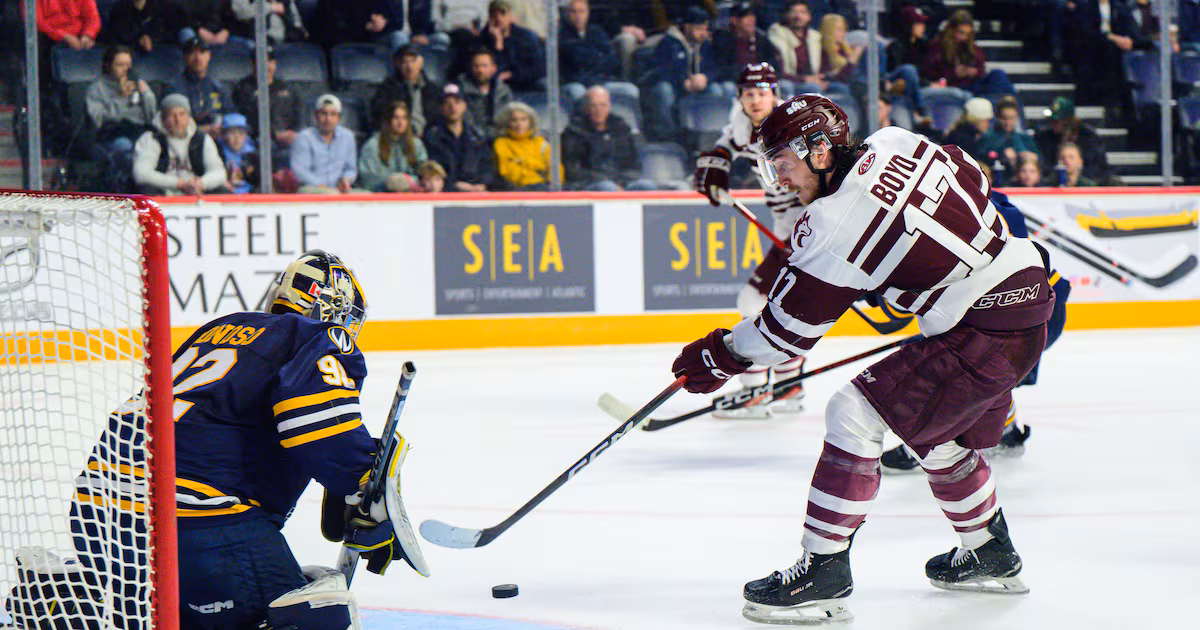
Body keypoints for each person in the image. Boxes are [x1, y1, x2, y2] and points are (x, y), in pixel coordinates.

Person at [671, 93, 1055, 623]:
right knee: (937, 431)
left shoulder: (831, 225)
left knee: (854, 411)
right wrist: (909, 268)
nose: (778, 180)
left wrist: (721, 357)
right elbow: (972, 176)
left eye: (782, 163)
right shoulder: (894, 139)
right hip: (1026, 294)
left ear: (820, 151)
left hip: (982, 327)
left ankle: (823, 572)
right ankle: (989, 550)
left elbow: (786, 335)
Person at [64, 250, 426, 628]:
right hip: (195, 519)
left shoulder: (217, 330)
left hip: (96, 512)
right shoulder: (316, 338)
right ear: (334, 309)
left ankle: (69, 603)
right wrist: (364, 485)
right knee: (318, 614)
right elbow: (320, 429)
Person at [691, 63, 806, 418]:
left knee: (753, 300)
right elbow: (728, 142)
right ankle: (788, 388)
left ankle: (756, 392)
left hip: (807, 226)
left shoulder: (793, 128)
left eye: (762, 93)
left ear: (775, 94)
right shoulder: (743, 125)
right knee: (788, 309)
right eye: (749, 94)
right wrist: (717, 163)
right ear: (740, 98)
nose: (756, 100)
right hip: (789, 228)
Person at [640, 6, 720, 142]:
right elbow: (660, 72)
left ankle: (712, 131)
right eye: (699, 28)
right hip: (676, 87)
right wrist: (684, 83)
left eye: (705, 29)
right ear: (687, 27)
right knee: (664, 90)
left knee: (716, 89)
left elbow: (715, 68)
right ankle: (670, 135)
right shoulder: (668, 43)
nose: (704, 33)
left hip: (698, 87)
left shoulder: (705, 45)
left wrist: (706, 78)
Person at [86, 45, 159, 188]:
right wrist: (119, 97)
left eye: (128, 65)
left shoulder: (136, 83)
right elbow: (98, 120)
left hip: (139, 132)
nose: (125, 69)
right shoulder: (96, 88)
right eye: (120, 65)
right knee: (126, 149)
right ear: (108, 65)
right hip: (113, 134)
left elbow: (151, 116)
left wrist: (147, 95)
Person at [132, 93, 227, 195]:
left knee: (223, 191)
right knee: (147, 191)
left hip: (196, 191)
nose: (178, 120)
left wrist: (202, 183)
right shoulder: (152, 139)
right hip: (163, 191)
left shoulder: (201, 139)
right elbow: (141, 174)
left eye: (182, 114)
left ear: (189, 117)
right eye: (172, 115)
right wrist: (179, 184)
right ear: (163, 119)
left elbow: (220, 172)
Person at [561, 85, 648, 191]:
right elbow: (573, 171)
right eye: (594, 105)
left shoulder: (621, 129)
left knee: (646, 186)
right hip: (589, 184)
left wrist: (620, 182)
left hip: (621, 182)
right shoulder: (574, 132)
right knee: (608, 187)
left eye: (603, 105)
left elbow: (633, 164)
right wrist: (607, 181)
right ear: (586, 108)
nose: (599, 110)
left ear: (609, 106)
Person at [232, 46, 303, 166]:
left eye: (268, 61)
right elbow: (243, 119)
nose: (264, 66)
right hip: (254, 139)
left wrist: (294, 134)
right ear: (253, 65)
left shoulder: (288, 88)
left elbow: (299, 115)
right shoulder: (242, 88)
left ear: (274, 64)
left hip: (287, 139)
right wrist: (275, 135)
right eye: (259, 61)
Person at [923, 9, 1015, 97]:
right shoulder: (937, 45)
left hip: (972, 84)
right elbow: (930, 72)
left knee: (998, 75)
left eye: (967, 34)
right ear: (951, 30)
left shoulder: (971, 46)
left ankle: (1012, 107)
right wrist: (953, 73)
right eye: (960, 33)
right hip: (953, 86)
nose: (963, 37)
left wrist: (974, 72)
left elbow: (981, 68)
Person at [423, 83, 494, 192]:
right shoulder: (432, 137)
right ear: (441, 108)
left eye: (457, 102)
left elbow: (486, 166)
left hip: (477, 193)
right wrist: (454, 185)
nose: (453, 107)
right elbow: (433, 170)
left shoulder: (478, 136)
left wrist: (482, 184)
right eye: (447, 103)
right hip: (445, 194)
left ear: (464, 106)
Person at [291, 94, 366, 194]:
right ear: (316, 115)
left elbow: (350, 168)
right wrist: (319, 184)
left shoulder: (348, 137)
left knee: (366, 196)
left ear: (338, 117)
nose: (328, 119)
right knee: (331, 195)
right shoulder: (303, 137)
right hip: (311, 189)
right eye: (324, 114)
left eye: (333, 114)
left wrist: (346, 179)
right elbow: (300, 171)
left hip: (338, 189)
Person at [1034, 96, 1111, 184]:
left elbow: (1098, 167)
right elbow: (1044, 165)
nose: (1053, 124)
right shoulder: (1045, 137)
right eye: (1051, 120)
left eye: (1057, 121)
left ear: (1067, 120)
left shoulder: (1088, 137)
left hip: (1085, 182)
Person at [472, 0, 546, 92]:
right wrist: (498, 45)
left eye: (502, 13)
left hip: (524, 83)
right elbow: (489, 69)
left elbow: (539, 68)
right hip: (495, 87)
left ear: (511, 16)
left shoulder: (526, 37)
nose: (498, 18)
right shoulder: (483, 40)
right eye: (493, 15)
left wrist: (513, 75)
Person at [370, 45, 443, 136]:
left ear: (421, 62)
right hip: (399, 134)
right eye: (404, 62)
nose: (409, 67)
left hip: (428, 137)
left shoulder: (433, 89)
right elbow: (380, 115)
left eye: (413, 61)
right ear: (397, 64)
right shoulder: (388, 88)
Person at [169, 36, 233, 137]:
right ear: (185, 57)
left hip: (218, 139)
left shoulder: (218, 87)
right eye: (192, 53)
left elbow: (232, 117)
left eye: (202, 52)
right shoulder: (174, 87)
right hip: (186, 139)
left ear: (209, 56)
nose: (198, 58)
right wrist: (199, 130)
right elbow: (169, 123)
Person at [358, 101, 429, 192]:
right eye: (396, 118)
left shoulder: (416, 144)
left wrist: (409, 181)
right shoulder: (373, 145)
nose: (400, 122)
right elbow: (368, 179)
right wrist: (390, 183)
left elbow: (424, 172)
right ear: (388, 120)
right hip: (382, 197)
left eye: (404, 118)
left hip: (411, 195)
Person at [493, 101, 560, 190]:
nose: (519, 124)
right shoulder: (502, 143)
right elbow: (508, 172)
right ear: (506, 122)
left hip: (547, 188)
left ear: (531, 122)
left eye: (523, 119)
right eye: (514, 120)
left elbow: (555, 168)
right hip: (518, 190)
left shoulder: (541, 142)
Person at [558, 0, 621, 93]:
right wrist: (597, 56)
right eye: (573, 12)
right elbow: (576, 60)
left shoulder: (597, 31)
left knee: (630, 89)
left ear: (588, 13)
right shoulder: (562, 35)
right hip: (576, 83)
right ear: (567, 14)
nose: (578, 16)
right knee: (578, 92)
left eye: (581, 11)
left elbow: (612, 58)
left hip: (602, 80)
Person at [713, 1, 779, 83]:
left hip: (760, 80)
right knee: (728, 87)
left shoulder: (761, 39)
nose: (751, 19)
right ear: (734, 20)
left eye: (752, 15)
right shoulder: (723, 39)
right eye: (746, 16)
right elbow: (721, 67)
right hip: (734, 80)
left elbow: (773, 64)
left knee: (785, 86)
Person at [766, 0, 823, 89]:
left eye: (802, 12)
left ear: (809, 17)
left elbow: (824, 67)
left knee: (840, 88)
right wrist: (804, 79)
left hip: (812, 80)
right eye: (793, 12)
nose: (798, 16)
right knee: (813, 88)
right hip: (790, 81)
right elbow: (777, 72)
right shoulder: (776, 36)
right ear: (785, 15)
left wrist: (821, 78)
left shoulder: (815, 37)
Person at [458, 48, 513, 132]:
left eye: (484, 66)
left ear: (493, 68)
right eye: (476, 66)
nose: (480, 70)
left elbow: (509, 117)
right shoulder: (461, 91)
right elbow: (465, 121)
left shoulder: (503, 91)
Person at [100, 0, 184, 53]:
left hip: (160, 55)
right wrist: (138, 39)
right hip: (128, 53)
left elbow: (172, 32)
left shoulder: (166, 7)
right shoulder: (119, 9)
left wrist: (152, 39)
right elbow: (113, 36)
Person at [944, 97, 994, 164]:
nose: (987, 124)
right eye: (985, 120)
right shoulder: (960, 137)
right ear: (975, 119)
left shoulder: (978, 137)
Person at [218, 112, 258, 193]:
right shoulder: (218, 152)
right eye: (232, 132)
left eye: (241, 133)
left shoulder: (253, 154)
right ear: (224, 135)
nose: (237, 138)